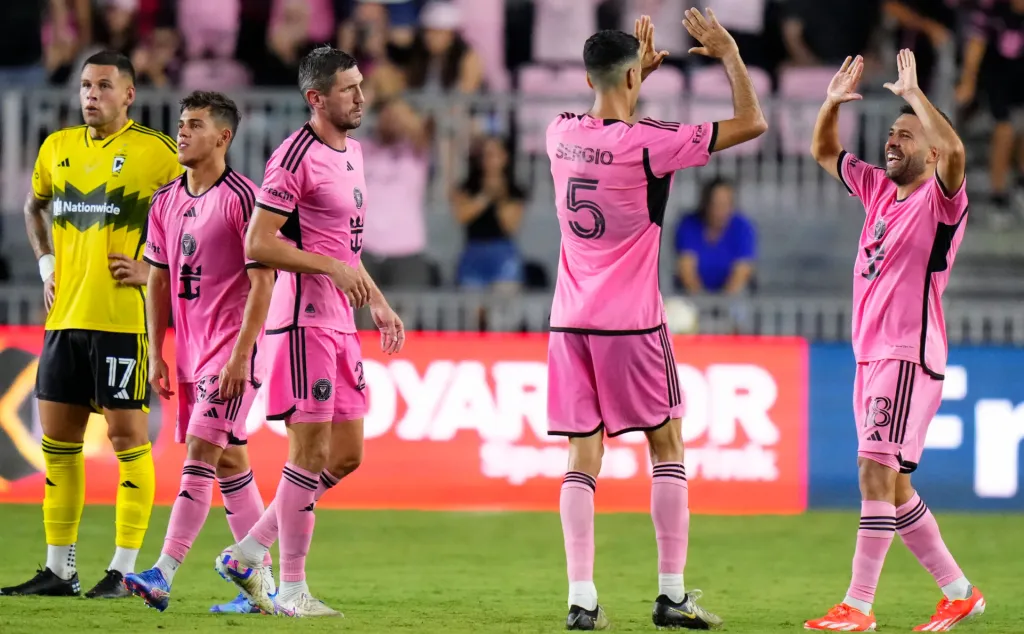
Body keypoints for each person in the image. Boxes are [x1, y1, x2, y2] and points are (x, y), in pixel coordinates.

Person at [545, 11, 767, 631]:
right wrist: (726, 54)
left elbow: (604, 112)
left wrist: (634, 76)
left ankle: (582, 598)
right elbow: (753, 122)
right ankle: (671, 594)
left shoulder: (557, 132)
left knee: (580, 456)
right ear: (632, 77)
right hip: (632, 322)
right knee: (665, 443)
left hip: (569, 320)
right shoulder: (651, 143)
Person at [213, 45, 406, 618]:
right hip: (300, 320)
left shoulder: (354, 153)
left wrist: (378, 300)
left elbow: (341, 244)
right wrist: (334, 270)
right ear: (315, 98)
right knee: (309, 451)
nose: (361, 97)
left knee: (346, 456)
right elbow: (259, 242)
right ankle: (292, 588)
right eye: (348, 89)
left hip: (341, 320)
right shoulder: (292, 156)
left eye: (361, 85)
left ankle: (249, 550)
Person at [804, 50, 984, 632]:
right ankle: (959, 592)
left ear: (929, 153)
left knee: (872, 474)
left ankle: (857, 606)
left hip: (908, 355)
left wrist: (913, 95)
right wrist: (830, 102)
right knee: (895, 486)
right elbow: (825, 151)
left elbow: (956, 152)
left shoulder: (942, 201)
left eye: (906, 136)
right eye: (890, 134)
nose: (893, 141)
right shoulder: (880, 192)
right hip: (872, 356)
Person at [0, 50, 183, 600]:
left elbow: (196, 211)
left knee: (129, 441)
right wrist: (46, 265)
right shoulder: (56, 149)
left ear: (129, 94)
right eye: (85, 85)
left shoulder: (156, 153)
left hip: (122, 322)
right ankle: (60, 570)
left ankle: (125, 572)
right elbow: (34, 208)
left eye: (104, 85)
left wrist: (154, 265)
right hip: (65, 319)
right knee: (57, 443)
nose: (91, 95)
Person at [120, 91, 276, 615]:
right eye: (182, 124)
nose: (182, 133)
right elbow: (158, 281)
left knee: (201, 456)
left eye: (195, 125)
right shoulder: (164, 201)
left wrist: (241, 356)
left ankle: (162, 573)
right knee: (231, 462)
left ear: (223, 137)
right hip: (189, 353)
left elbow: (263, 283)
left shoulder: (243, 199)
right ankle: (261, 589)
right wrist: (158, 352)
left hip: (231, 353)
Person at [452, 136, 526, 292]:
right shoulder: (468, 187)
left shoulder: (514, 191)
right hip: (474, 251)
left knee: (503, 309)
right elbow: (462, 215)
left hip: (502, 253)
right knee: (471, 309)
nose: (489, 160)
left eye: (494, 155)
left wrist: (499, 194)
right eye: (485, 155)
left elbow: (510, 225)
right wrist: (485, 196)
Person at [675, 177, 756, 295]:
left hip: (732, 297)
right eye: (715, 204)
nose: (720, 211)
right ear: (705, 204)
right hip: (694, 296)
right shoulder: (689, 224)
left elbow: (742, 271)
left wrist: (721, 306)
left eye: (725, 204)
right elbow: (686, 270)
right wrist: (703, 303)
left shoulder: (743, 227)